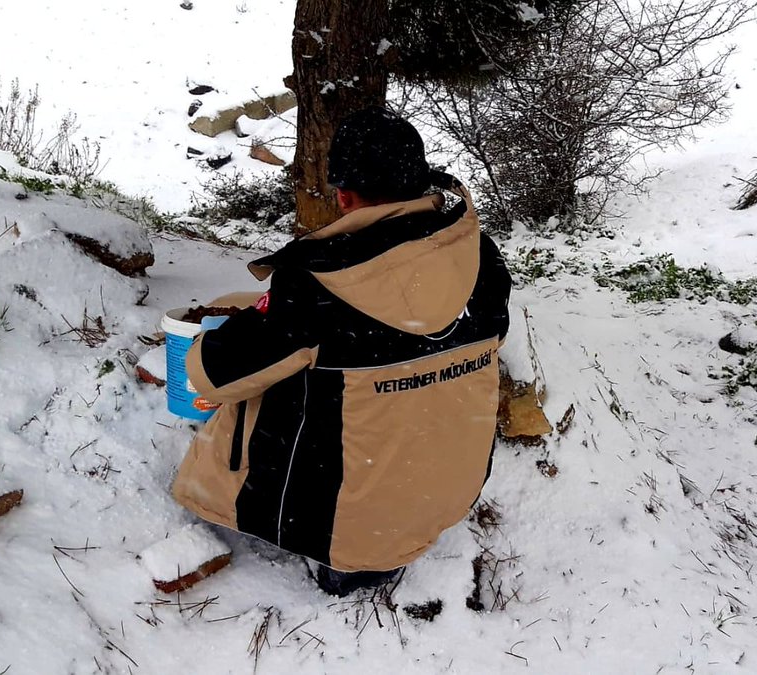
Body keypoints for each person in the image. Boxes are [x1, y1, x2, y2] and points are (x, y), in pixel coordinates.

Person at [171, 107, 512, 596]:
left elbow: (210, 375)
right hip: (448, 493)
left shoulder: (317, 284)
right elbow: (440, 328)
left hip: (355, 527)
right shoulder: (481, 256)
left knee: (260, 390)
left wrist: (251, 322)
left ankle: (342, 559)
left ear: (345, 196)